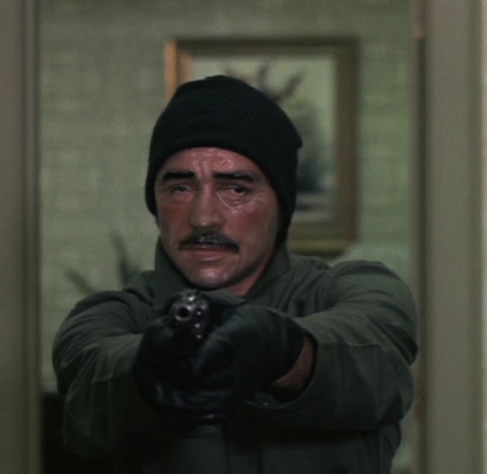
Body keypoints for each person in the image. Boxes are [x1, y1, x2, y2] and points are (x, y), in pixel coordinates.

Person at [52, 75, 418, 474]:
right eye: (180, 188)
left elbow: (375, 356)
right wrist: (150, 372)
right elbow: (91, 380)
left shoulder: (355, 289)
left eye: (236, 189)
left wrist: (282, 350)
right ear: (155, 203)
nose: (204, 218)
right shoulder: (110, 316)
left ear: (281, 206)